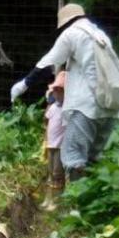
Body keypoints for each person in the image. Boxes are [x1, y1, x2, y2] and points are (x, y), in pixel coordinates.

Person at [9, 3, 119, 182]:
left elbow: (48, 62)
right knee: (92, 159)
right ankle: (93, 203)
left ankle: (75, 205)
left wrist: (24, 83)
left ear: (66, 22)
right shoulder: (101, 35)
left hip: (87, 106)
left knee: (73, 156)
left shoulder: (72, 34)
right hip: (111, 106)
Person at [41, 70, 67, 211]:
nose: (57, 93)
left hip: (61, 147)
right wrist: (45, 142)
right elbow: (47, 124)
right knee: (50, 172)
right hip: (50, 145)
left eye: (60, 90)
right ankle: (48, 199)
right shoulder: (52, 108)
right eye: (55, 90)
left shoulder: (67, 109)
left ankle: (56, 202)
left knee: (58, 173)